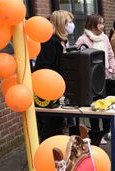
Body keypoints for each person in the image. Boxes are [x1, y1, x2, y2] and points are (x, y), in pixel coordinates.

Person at [75, 14, 115, 145]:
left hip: (106, 75)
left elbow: (110, 54)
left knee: (106, 104)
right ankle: (96, 132)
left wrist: (113, 68)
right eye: (100, 23)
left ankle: (107, 131)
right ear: (92, 25)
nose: (102, 26)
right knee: (94, 106)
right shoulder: (83, 39)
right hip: (91, 79)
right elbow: (78, 57)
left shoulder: (105, 37)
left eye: (103, 23)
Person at [34, 10, 75, 141]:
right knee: (49, 127)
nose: (72, 24)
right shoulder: (50, 42)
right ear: (60, 24)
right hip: (47, 92)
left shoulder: (62, 41)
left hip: (57, 90)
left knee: (58, 125)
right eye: (69, 22)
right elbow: (43, 67)